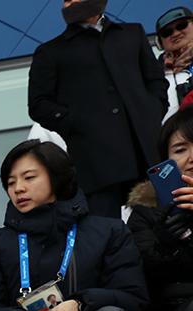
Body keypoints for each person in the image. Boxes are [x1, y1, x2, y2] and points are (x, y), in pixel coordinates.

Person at [0, 140, 153, 311]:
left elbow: (133, 297)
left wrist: (81, 304)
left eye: (29, 177)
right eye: (10, 182)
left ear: (56, 177)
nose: (18, 188)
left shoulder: (108, 231)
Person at [28, 0, 168, 217]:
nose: (71, 3)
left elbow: (156, 81)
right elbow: (38, 105)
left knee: (165, 223)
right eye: (66, 0)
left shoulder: (131, 34)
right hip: (97, 163)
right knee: (106, 235)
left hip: (146, 152)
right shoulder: (51, 52)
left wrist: (152, 111)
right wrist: (78, 123)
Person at [126, 106, 193, 311]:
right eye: (179, 149)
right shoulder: (145, 211)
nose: (190, 158)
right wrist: (168, 243)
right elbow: (141, 277)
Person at [157, 7, 193, 114]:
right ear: (160, 43)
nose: (175, 34)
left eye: (181, 26)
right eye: (167, 32)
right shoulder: (155, 73)